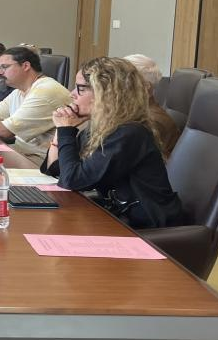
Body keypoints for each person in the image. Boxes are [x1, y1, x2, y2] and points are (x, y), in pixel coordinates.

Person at [40, 57, 183, 229]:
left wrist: (66, 130)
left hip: (144, 227)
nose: (72, 94)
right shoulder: (102, 127)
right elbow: (57, 169)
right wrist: (61, 129)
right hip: (117, 215)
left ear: (106, 94)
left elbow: (72, 179)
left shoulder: (129, 133)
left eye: (81, 88)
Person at [0, 45, 72, 160]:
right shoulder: (19, 91)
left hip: (40, 160)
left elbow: (6, 130)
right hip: (20, 152)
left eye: (4, 67)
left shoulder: (45, 90)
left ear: (25, 66)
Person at [123, 53, 180, 158]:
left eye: (124, 79)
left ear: (145, 86)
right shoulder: (135, 112)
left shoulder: (150, 122)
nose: (116, 85)